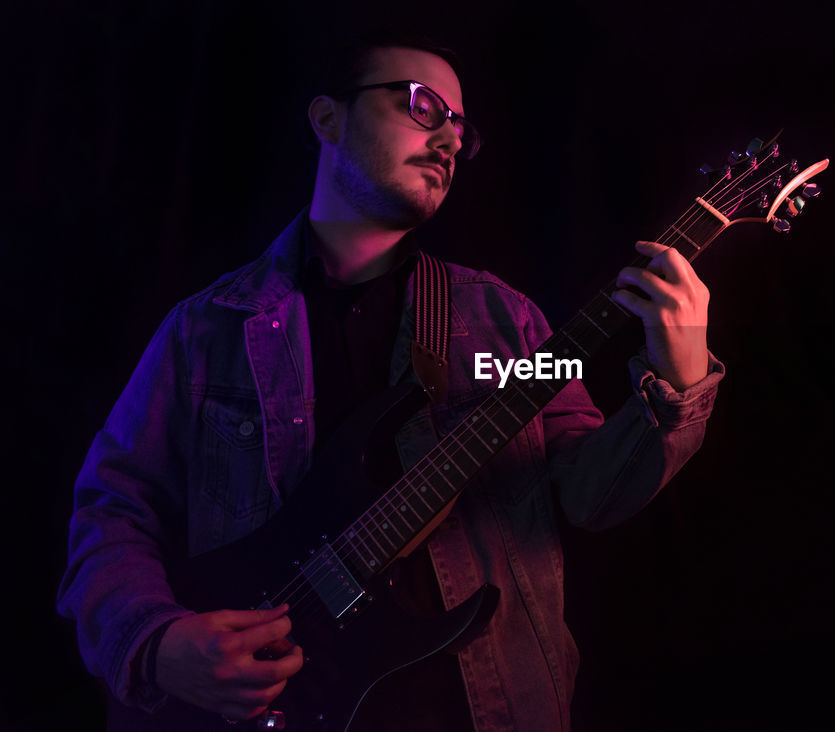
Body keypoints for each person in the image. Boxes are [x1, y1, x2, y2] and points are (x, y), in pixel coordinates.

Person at [56, 31, 723, 731]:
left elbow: (590, 494)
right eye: (424, 108)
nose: (449, 143)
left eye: (461, 130)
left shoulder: (510, 328)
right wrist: (159, 644)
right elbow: (112, 511)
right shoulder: (207, 330)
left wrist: (677, 382)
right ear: (327, 119)